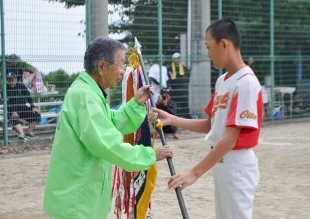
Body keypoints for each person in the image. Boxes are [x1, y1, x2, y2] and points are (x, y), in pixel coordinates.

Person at [43, 37, 173, 219]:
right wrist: (150, 155)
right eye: (120, 64)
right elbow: (108, 144)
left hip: (81, 195)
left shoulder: (90, 92)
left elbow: (110, 122)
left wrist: (135, 103)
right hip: (77, 202)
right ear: (102, 66)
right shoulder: (87, 97)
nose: (122, 72)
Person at [153, 18, 263, 219]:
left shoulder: (246, 83)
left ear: (224, 44)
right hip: (222, 163)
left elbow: (230, 139)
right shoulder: (223, 81)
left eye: (208, 47)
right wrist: (172, 119)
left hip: (236, 164)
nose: (207, 54)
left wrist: (194, 173)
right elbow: (212, 125)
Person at [6, 72, 41, 140]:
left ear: (16, 79)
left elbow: (28, 96)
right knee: (14, 117)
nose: (10, 82)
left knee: (36, 114)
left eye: (12, 80)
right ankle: (22, 135)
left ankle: (29, 133)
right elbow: (6, 102)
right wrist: (12, 111)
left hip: (23, 108)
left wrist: (33, 107)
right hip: (12, 110)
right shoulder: (5, 88)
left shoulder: (21, 85)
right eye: (9, 80)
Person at [167, 52, 191, 118]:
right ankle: (175, 115)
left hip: (181, 87)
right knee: (174, 102)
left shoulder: (183, 67)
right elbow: (168, 79)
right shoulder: (169, 68)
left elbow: (187, 77)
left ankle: (186, 116)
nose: (178, 60)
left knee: (184, 101)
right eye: (176, 58)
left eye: (179, 58)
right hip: (173, 88)